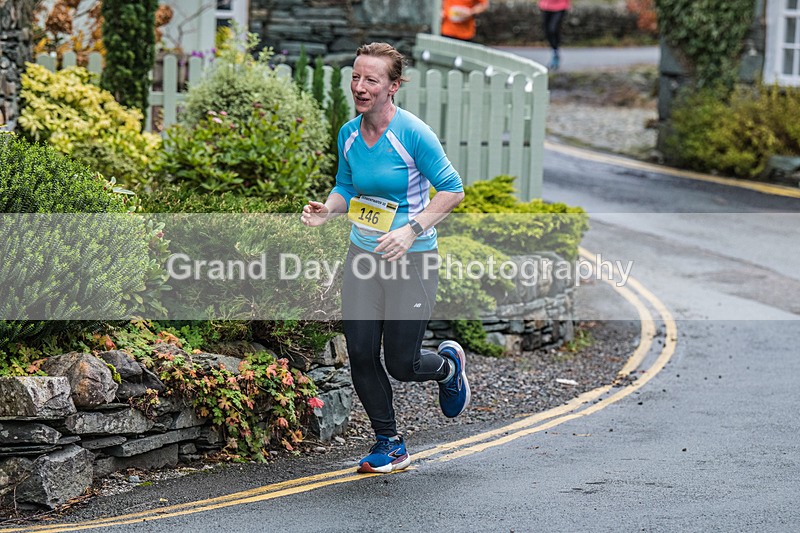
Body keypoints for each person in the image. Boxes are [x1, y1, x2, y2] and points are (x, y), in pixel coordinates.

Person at [301, 43, 470, 474]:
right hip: (363, 255)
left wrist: (411, 229)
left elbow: (453, 190)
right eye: (355, 77)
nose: (360, 86)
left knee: (402, 363)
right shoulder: (349, 133)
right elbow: (345, 186)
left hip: (412, 259)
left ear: (392, 87)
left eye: (371, 79)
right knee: (359, 352)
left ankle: (448, 368)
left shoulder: (413, 133)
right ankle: (389, 442)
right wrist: (328, 209)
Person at [539, 0, 570, 70]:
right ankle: (554, 51)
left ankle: (555, 53)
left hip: (560, 6)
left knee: (553, 29)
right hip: (546, 5)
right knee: (547, 32)